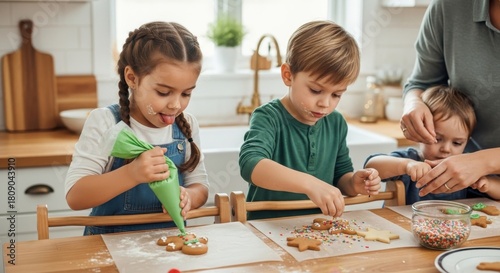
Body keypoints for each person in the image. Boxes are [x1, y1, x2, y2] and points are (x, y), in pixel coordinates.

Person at [64, 21, 209, 235]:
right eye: (163, 92)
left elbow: (201, 186)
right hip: (107, 247)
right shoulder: (105, 122)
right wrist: (132, 173)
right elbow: (76, 196)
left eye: (186, 93)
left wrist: (189, 197)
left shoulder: (186, 125)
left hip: (167, 247)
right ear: (132, 78)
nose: (176, 105)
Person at [238, 20, 381, 220]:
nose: (325, 103)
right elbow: (251, 164)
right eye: (315, 90)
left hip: (317, 228)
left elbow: (341, 177)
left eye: (336, 94)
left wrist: (354, 183)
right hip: (266, 229)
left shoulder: (336, 123)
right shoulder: (269, 117)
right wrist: (309, 183)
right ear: (288, 75)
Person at [400, 0, 500, 197]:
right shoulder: (449, 6)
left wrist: (483, 162)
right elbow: (422, 83)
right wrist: (414, 102)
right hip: (469, 183)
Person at [366, 86, 500, 204]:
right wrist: (406, 166)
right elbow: (371, 165)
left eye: (457, 143)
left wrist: (488, 185)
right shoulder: (411, 159)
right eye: (437, 138)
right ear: (420, 130)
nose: (446, 149)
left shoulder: (465, 168)